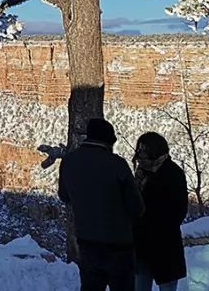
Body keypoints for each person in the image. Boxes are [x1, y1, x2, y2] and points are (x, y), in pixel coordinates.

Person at [59, 118, 145, 291]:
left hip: (87, 243)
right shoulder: (117, 164)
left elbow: (64, 196)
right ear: (108, 141)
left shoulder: (68, 161)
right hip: (119, 245)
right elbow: (136, 207)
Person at [132, 132, 188, 291]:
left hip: (165, 246)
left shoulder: (173, 173)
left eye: (144, 149)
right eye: (139, 149)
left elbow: (179, 210)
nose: (140, 153)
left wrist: (152, 223)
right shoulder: (141, 173)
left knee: (167, 287)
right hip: (141, 247)